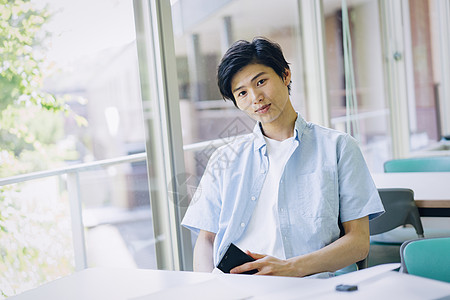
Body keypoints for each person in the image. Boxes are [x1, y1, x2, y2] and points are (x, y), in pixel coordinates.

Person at [181, 37, 384, 277]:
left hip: (311, 285)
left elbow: (358, 243)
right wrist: (210, 288)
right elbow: (206, 240)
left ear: (285, 75)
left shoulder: (338, 147)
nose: (255, 97)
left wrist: (289, 268)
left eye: (261, 81)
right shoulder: (223, 158)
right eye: (242, 92)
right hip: (236, 287)